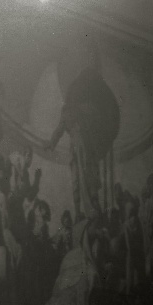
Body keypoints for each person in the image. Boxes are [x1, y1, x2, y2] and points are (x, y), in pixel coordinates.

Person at [47, 55, 120, 221]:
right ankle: (79, 212)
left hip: (88, 150)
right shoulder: (67, 112)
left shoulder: (88, 108)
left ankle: (94, 205)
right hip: (76, 151)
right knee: (77, 180)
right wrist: (51, 143)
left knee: (91, 177)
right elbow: (58, 130)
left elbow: (102, 122)